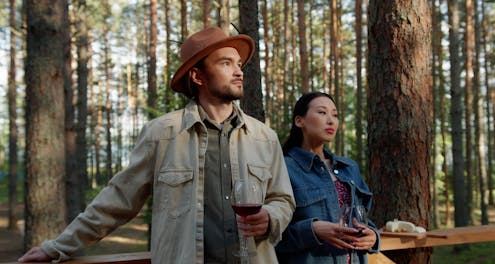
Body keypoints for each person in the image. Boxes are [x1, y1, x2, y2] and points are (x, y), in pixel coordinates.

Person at [19, 26, 295, 264]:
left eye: (238, 64)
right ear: (198, 76)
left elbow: (283, 200)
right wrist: (55, 248)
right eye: (226, 63)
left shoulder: (264, 137)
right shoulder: (162, 133)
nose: (238, 72)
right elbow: (117, 200)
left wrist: (270, 217)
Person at [275, 92, 379, 263]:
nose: (331, 120)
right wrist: (312, 230)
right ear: (299, 121)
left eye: (335, 115)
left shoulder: (349, 168)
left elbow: (363, 219)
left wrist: (373, 237)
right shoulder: (283, 168)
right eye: (322, 112)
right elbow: (270, 233)